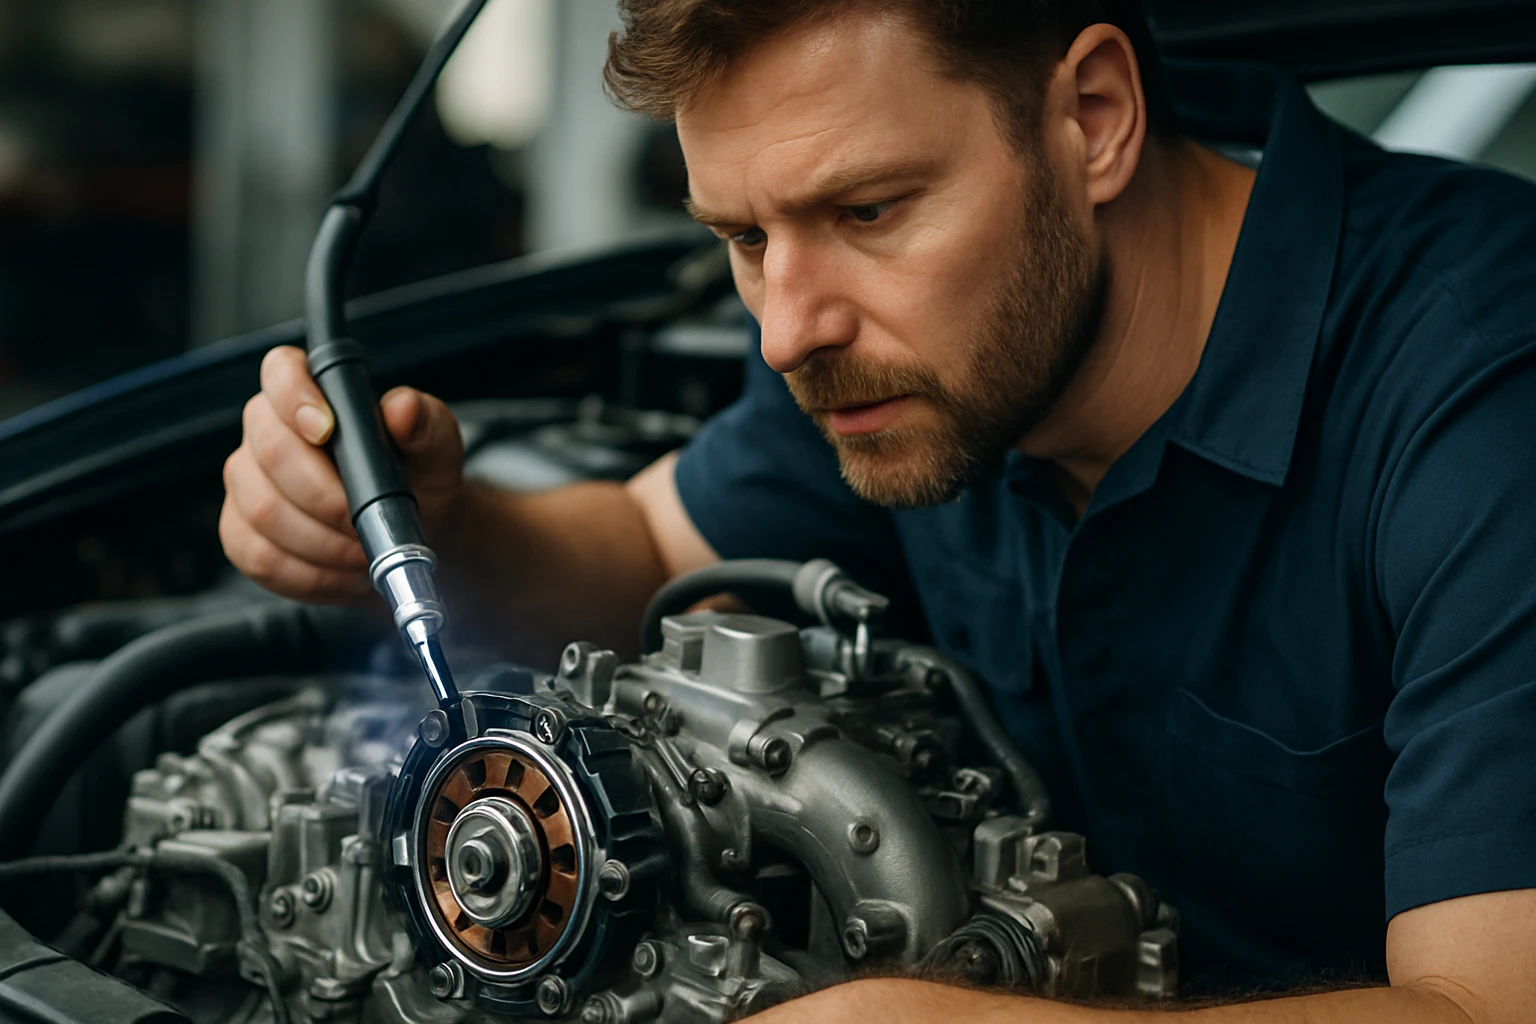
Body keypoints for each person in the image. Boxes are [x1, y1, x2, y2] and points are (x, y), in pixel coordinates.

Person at [219, 0, 1536, 1019]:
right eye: (742, 238)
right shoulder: (895, 361)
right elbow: (647, 555)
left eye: (869, 208)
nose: (791, 326)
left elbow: (1490, 1005)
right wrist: (430, 525)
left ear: (1093, 115)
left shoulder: (1480, 389)